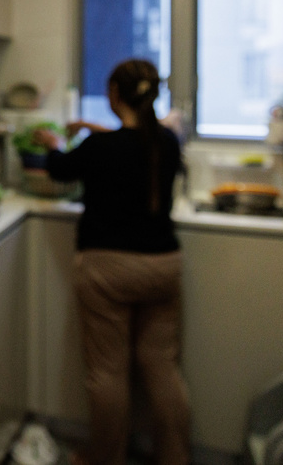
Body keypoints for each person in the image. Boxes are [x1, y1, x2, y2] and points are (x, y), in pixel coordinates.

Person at [32, 59, 190, 465]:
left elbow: (61, 169)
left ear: (115, 95)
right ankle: (175, 457)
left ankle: (105, 459)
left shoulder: (100, 150)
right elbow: (132, 143)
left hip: (108, 271)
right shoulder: (167, 143)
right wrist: (89, 129)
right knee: (161, 369)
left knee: (108, 372)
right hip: (162, 267)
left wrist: (53, 145)